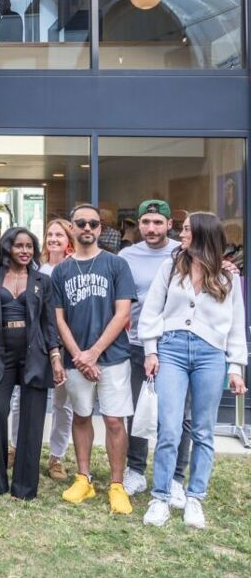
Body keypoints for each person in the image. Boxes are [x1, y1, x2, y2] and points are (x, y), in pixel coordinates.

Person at [140, 212, 248, 529]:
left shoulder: (228, 276)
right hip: (171, 348)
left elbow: (236, 326)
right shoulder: (171, 266)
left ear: (202, 234)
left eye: (186, 230)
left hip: (210, 354)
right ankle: (160, 497)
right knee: (169, 427)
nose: (181, 235)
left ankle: (194, 498)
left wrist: (236, 366)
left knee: (203, 431)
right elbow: (151, 310)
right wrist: (150, 350)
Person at [54, 203, 137, 515]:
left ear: (100, 229)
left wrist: (94, 353)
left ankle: (117, 485)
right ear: (72, 228)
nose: (87, 228)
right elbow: (58, 319)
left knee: (115, 420)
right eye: (81, 223)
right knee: (81, 416)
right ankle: (83, 478)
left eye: (93, 223)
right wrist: (78, 355)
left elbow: (123, 313)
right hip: (77, 359)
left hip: (112, 357)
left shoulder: (116, 265)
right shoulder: (62, 270)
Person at [0, 227, 64, 500]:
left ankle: (24, 488)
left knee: (32, 420)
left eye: (29, 246)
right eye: (19, 246)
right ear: (7, 248)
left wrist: (55, 356)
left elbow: (49, 323)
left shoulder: (42, 280)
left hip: (34, 354)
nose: (25, 251)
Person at [117, 199, 189, 500]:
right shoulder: (125, 256)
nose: (151, 228)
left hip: (173, 344)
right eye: (146, 222)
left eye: (158, 222)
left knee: (178, 413)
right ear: (139, 224)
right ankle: (136, 470)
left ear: (169, 224)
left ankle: (175, 476)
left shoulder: (183, 254)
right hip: (134, 343)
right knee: (137, 409)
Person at [31, 218, 77, 481]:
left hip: (65, 342)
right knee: (20, 398)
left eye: (59, 235)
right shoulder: (37, 269)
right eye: (49, 234)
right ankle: (16, 447)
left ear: (68, 240)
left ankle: (56, 456)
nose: (53, 239)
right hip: (36, 342)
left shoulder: (73, 269)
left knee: (63, 402)